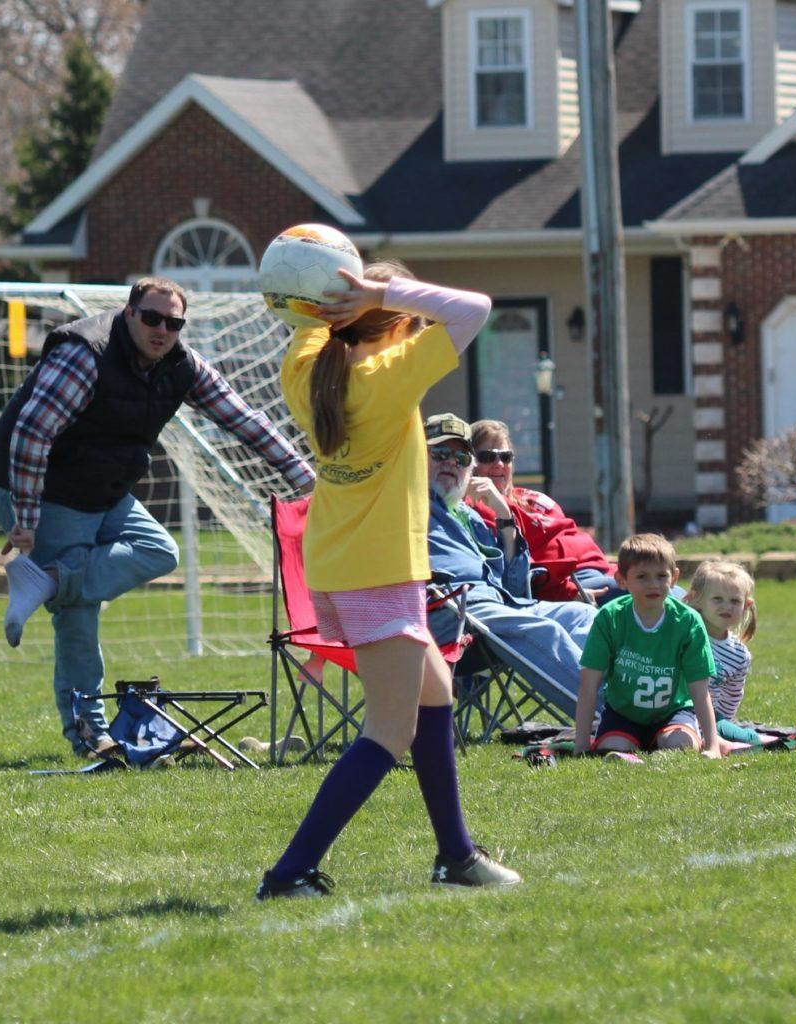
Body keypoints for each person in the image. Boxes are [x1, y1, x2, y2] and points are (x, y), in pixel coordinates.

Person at [258, 262, 519, 900]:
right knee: (389, 730)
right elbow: (476, 306)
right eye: (412, 323)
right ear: (394, 324)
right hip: (377, 573)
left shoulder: (305, 364)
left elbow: (310, 319)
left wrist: (338, 298)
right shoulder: (384, 379)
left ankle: (456, 856)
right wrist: (380, 291)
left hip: (343, 565)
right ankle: (288, 874)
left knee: (436, 693)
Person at [0, 277, 315, 758]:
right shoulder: (86, 354)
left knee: (159, 550)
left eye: (174, 323)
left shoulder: (183, 365)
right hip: (42, 486)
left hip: (102, 488)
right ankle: (91, 735)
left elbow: (244, 419)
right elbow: (32, 432)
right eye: (152, 318)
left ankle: (48, 580)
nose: (162, 329)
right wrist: (28, 518)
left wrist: (305, 478)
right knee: (79, 617)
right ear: (129, 313)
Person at [424, 413, 597, 704]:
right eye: (440, 453)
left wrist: (504, 517)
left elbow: (514, 587)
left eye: (461, 458)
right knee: (545, 632)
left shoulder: (467, 514)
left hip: (499, 604)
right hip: (451, 611)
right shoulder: (408, 506)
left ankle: (628, 706)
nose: (451, 463)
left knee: (585, 616)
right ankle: (607, 719)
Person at [573, 534, 722, 758]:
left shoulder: (688, 622)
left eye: (661, 576)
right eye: (642, 576)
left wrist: (712, 746)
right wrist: (581, 744)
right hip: (622, 714)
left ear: (674, 578)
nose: (653, 584)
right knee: (612, 747)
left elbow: (700, 689)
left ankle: (670, 749)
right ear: (621, 579)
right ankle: (628, 755)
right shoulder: (609, 618)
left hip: (673, 712)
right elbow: (589, 684)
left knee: (680, 743)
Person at [466, 418, 623, 605]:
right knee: (642, 593)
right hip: (569, 582)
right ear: (470, 463)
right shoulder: (475, 510)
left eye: (505, 457)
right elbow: (516, 573)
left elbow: (569, 534)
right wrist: (567, 593)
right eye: (487, 457)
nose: (499, 464)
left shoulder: (529, 497)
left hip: (601, 567)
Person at [684, 559, 762, 747]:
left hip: (711, 718)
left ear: (746, 606)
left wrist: (722, 724)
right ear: (697, 600)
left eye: (735, 601)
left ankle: (713, 739)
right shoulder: (686, 634)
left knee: (753, 740)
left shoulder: (739, 654)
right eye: (718, 599)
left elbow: (732, 696)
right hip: (678, 710)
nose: (727, 606)